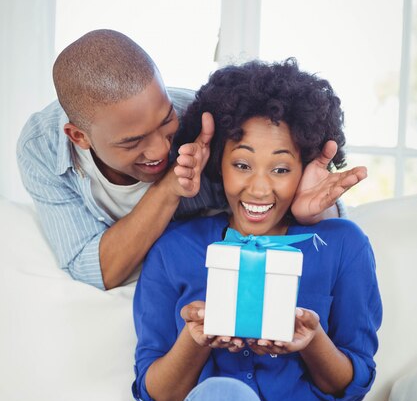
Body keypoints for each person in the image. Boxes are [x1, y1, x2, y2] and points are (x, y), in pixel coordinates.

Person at [132, 59, 382, 401]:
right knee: (226, 397)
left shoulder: (342, 245)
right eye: (242, 163)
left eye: (282, 168)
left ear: (305, 167)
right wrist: (194, 338)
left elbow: (353, 384)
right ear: (219, 165)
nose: (260, 186)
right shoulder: (175, 249)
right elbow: (157, 396)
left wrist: (313, 343)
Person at [17, 30, 366, 290]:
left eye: (165, 120)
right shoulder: (42, 148)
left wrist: (311, 212)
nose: (158, 151)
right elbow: (93, 270)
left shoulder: (205, 121)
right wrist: (170, 188)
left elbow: (282, 203)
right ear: (79, 136)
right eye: (133, 141)